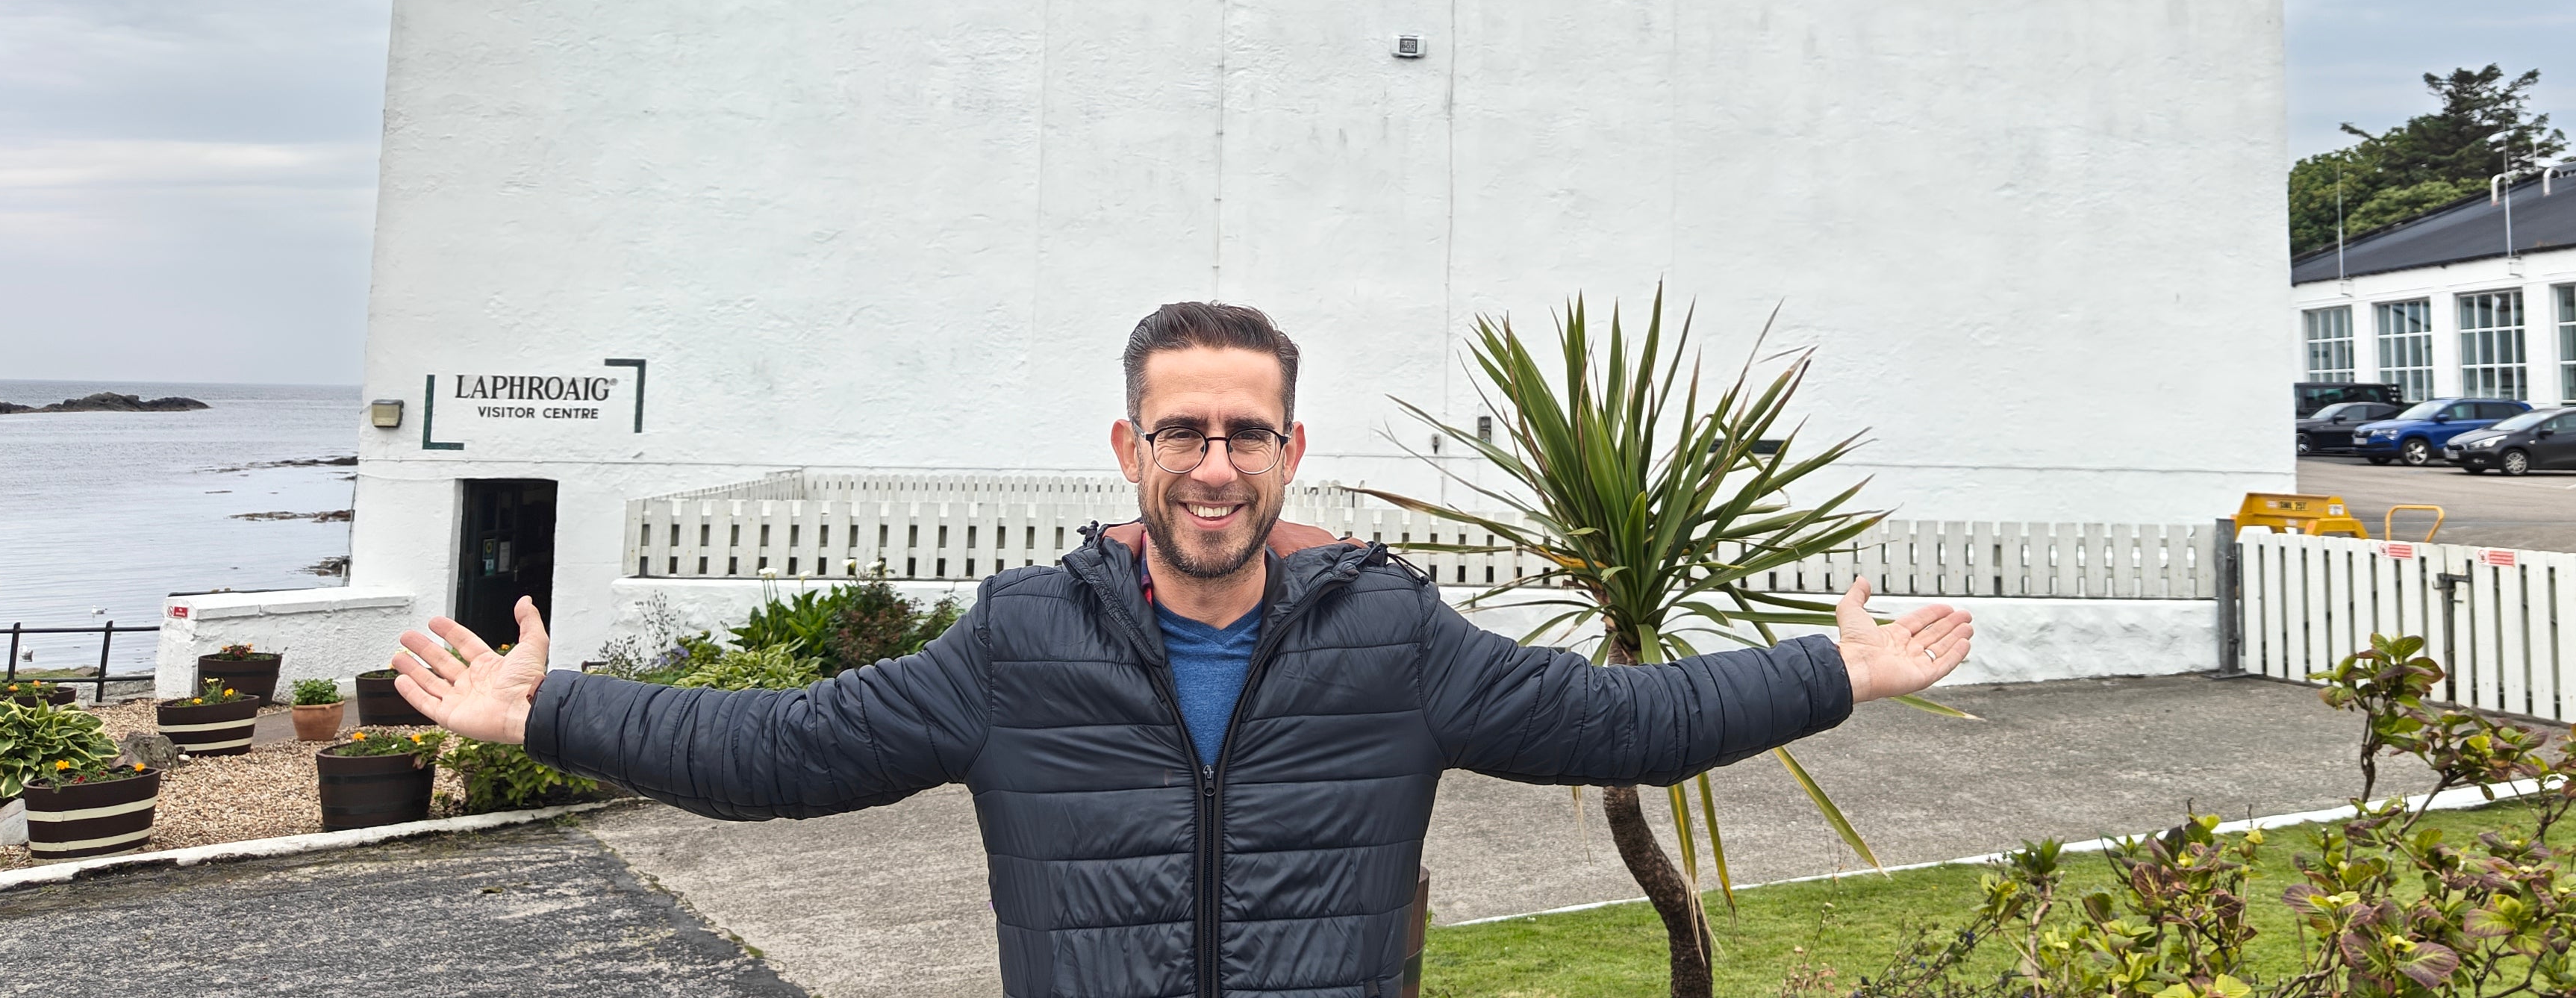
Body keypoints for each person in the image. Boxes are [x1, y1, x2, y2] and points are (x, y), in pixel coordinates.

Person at [396, 302, 1974, 998]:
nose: (1210, 465)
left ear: (1290, 450)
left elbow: (1616, 719)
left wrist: (1838, 671)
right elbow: (784, 754)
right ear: (1125, 447)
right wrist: (552, 711)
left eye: (1242, 433)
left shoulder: (1392, 636)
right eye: (1179, 432)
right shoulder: (1017, 644)